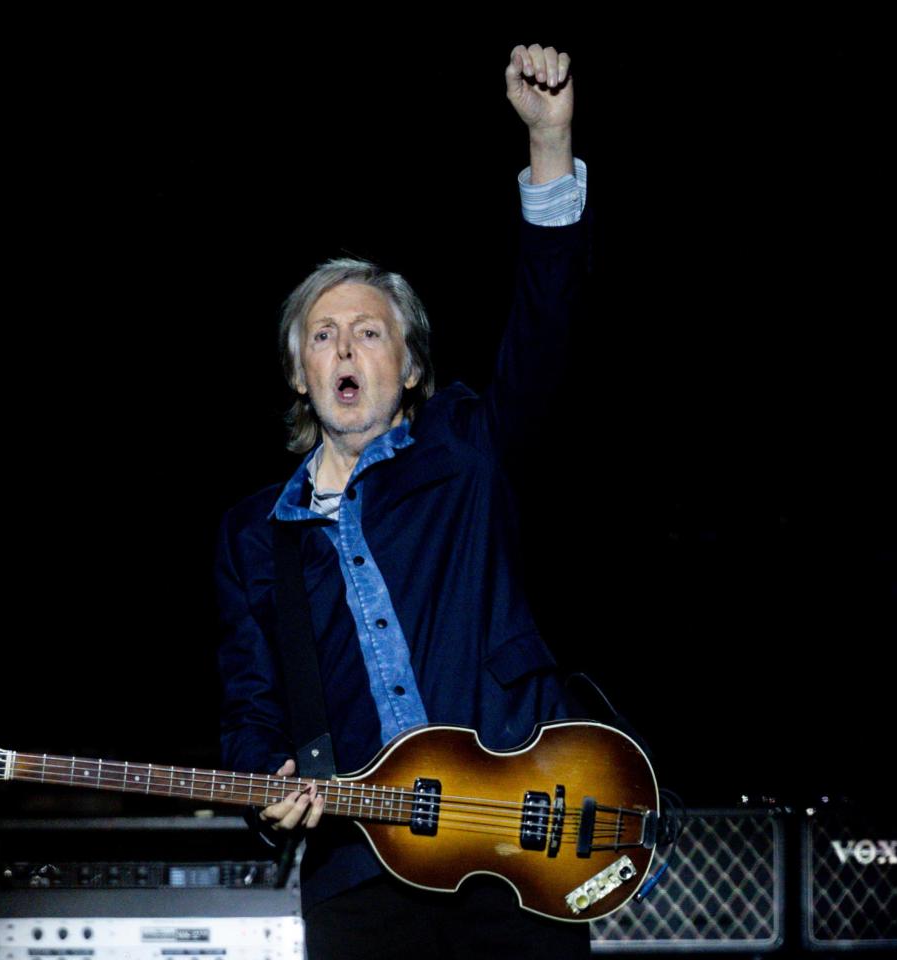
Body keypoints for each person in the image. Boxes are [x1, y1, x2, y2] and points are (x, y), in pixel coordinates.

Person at [214, 44, 592, 959]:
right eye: (324, 335)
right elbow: (251, 704)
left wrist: (550, 146)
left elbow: (545, 332)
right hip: (359, 871)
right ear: (301, 375)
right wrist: (265, 782)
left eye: (369, 332)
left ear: (410, 367)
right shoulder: (255, 535)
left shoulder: (463, 452)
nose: (344, 347)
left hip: (517, 844)